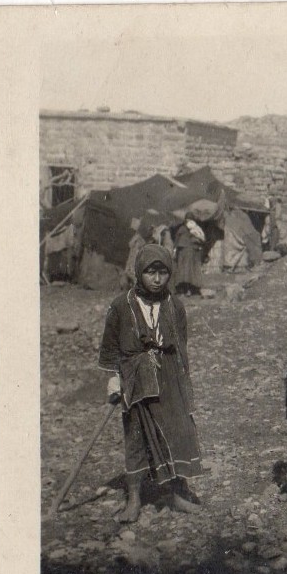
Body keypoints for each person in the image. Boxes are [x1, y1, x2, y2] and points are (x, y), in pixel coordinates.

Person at [99, 244, 204, 523]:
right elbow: (110, 347)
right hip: (135, 378)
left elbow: (181, 347)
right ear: (138, 273)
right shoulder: (122, 306)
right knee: (136, 437)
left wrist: (183, 382)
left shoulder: (175, 306)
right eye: (150, 272)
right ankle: (133, 498)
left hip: (168, 377)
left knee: (176, 432)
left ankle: (176, 493)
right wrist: (114, 380)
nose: (157, 279)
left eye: (163, 273)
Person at [173, 216, 205, 296]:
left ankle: (185, 290)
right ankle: (189, 290)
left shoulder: (182, 229)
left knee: (184, 271)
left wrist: (175, 249)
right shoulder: (195, 228)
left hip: (184, 250)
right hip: (191, 251)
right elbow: (200, 240)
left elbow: (177, 241)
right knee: (189, 271)